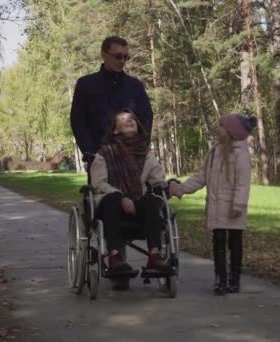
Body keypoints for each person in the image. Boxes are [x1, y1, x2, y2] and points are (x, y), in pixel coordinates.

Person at [170, 114, 256, 295]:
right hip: (216, 206)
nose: (218, 129)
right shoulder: (214, 152)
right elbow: (202, 177)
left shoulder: (241, 154)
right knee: (218, 242)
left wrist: (239, 205)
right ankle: (220, 279)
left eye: (221, 126)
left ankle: (234, 279)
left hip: (233, 207)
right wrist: (182, 188)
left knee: (235, 243)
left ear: (231, 131)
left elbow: (243, 183)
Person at [90, 108, 171, 274]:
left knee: (152, 200)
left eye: (132, 118)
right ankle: (114, 256)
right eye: (123, 118)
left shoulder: (146, 154)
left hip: (137, 203)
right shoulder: (105, 153)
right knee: (112, 199)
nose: (129, 120)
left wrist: (171, 185)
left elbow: (157, 179)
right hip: (110, 205)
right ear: (115, 129)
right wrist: (120, 196)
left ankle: (154, 256)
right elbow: (99, 183)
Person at [70, 36, 154, 164]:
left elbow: (146, 119)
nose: (122, 61)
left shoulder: (135, 86)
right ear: (104, 54)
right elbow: (78, 122)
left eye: (126, 57)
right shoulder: (86, 85)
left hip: (132, 159)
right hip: (99, 159)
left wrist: (139, 149)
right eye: (118, 56)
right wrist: (90, 152)